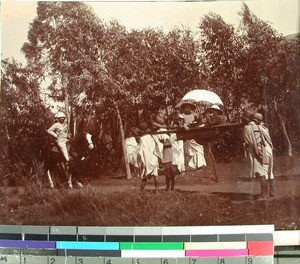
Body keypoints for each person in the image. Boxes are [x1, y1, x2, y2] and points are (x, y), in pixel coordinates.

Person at [243, 112, 275, 200]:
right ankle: (268, 193)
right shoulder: (259, 127)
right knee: (265, 172)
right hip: (261, 151)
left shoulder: (248, 128)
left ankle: (264, 195)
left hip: (255, 152)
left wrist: (257, 152)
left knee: (261, 173)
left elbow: (249, 142)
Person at [179, 102, 207, 170]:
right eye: (186, 107)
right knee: (188, 151)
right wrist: (185, 126)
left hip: (194, 133)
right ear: (184, 109)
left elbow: (198, 121)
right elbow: (181, 124)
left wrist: (199, 115)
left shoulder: (194, 114)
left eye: (189, 107)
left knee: (198, 148)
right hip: (186, 134)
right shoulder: (181, 115)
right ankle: (188, 166)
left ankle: (198, 165)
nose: (187, 109)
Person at [152, 115, 176, 190]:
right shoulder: (165, 132)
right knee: (168, 169)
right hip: (167, 150)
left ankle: (170, 184)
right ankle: (169, 185)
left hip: (166, 150)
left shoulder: (160, 132)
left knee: (168, 169)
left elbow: (161, 140)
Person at [136, 123, 159, 191]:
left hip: (146, 159)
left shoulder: (142, 139)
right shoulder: (152, 137)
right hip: (153, 158)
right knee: (155, 175)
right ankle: (156, 190)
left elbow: (140, 151)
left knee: (144, 176)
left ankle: (142, 190)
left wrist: (140, 161)